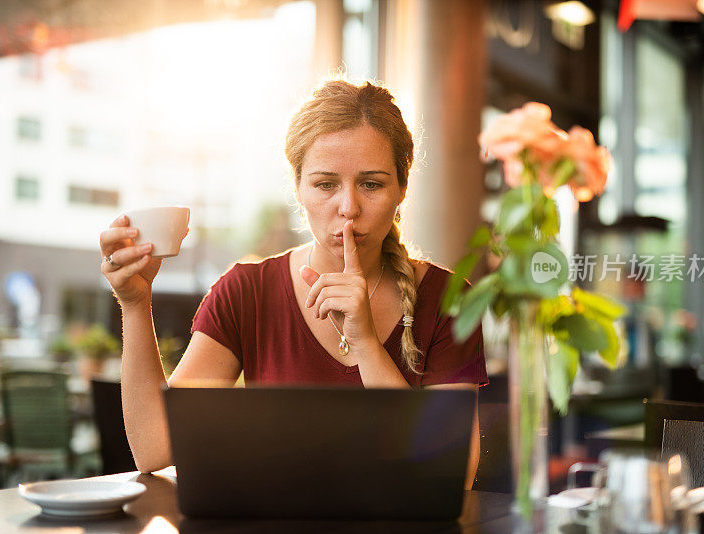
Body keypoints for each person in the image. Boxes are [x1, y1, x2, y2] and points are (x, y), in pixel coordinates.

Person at [99, 80, 488, 488]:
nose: (348, 208)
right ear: (299, 188)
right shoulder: (246, 291)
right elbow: (156, 448)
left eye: (371, 184)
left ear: (402, 189)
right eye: (325, 184)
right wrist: (134, 303)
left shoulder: (450, 298)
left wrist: (367, 345)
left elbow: (453, 475)